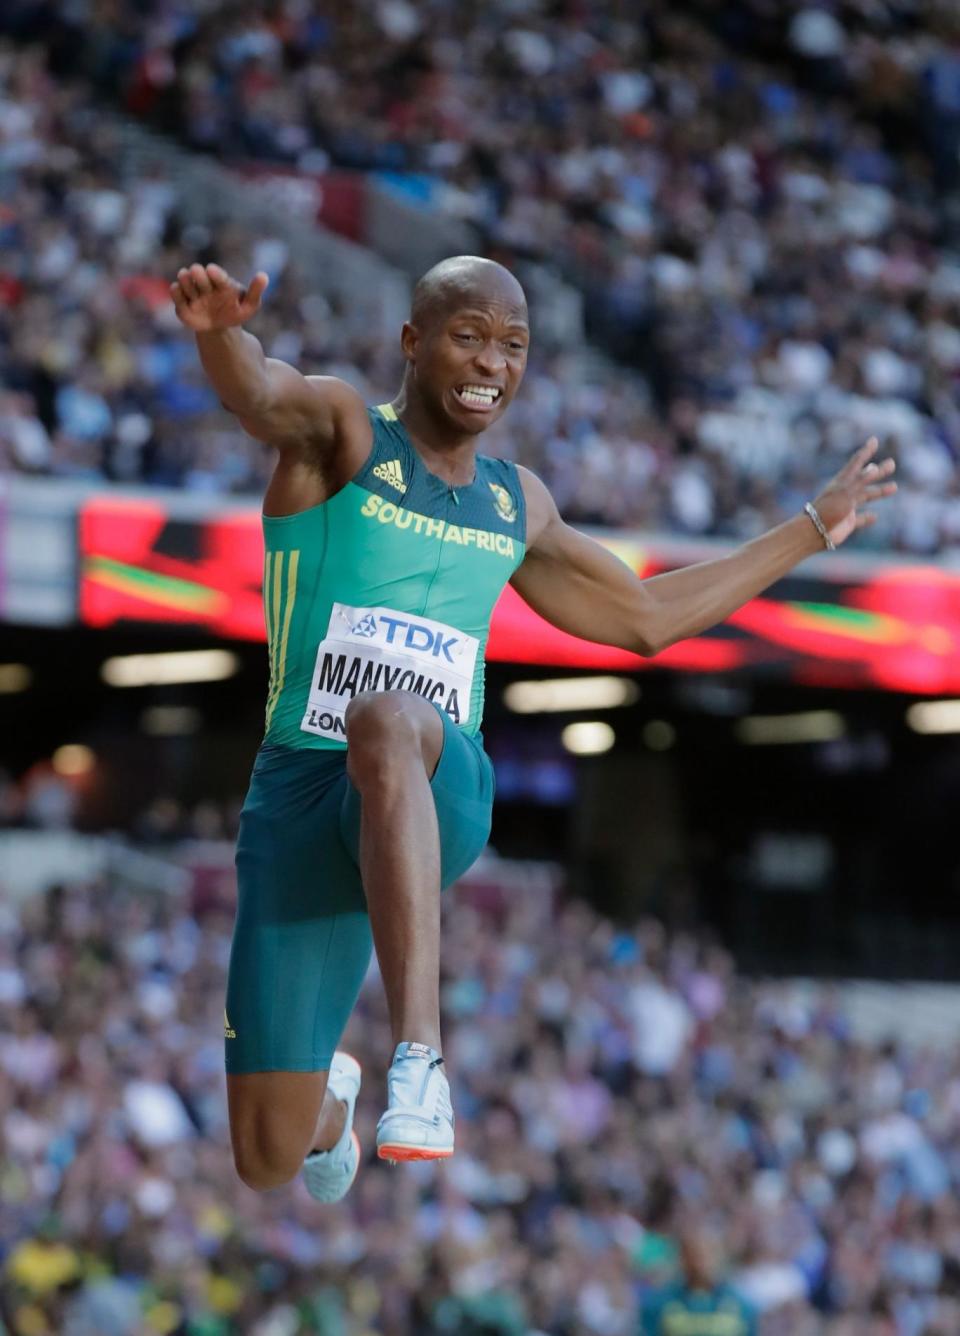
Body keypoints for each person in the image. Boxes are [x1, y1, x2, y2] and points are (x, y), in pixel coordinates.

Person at [169, 255, 896, 1203]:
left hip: (440, 784)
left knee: (388, 719)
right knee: (265, 1160)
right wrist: (220, 333)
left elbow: (644, 617)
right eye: (469, 335)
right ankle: (332, 1107)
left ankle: (418, 1060)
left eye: (514, 345)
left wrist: (811, 527)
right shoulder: (343, 432)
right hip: (305, 800)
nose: (492, 363)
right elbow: (259, 393)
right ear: (413, 342)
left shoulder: (516, 503)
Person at [640, 1222, 759, 1334]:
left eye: (709, 1253)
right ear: (683, 1259)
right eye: (694, 1254)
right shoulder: (659, 1304)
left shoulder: (742, 1305)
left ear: (721, 1256)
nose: (701, 1263)